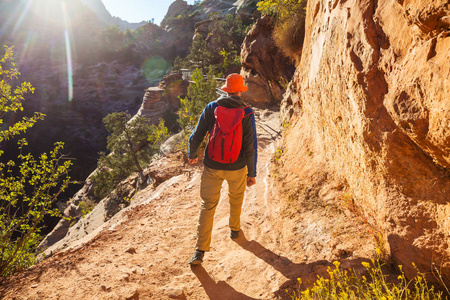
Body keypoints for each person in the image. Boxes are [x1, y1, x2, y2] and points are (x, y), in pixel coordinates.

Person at [188, 73, 258, 265]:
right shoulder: (247, 112)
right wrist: (252, 173)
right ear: (240, 90)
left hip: (212, 165)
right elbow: (251, 146)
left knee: (207, 205)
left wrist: (192, 154)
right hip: (237, 167)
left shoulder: (212, 107)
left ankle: (200, 251)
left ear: (226, 89)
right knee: (236, 198)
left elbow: (197, 134)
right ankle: (235, 229)